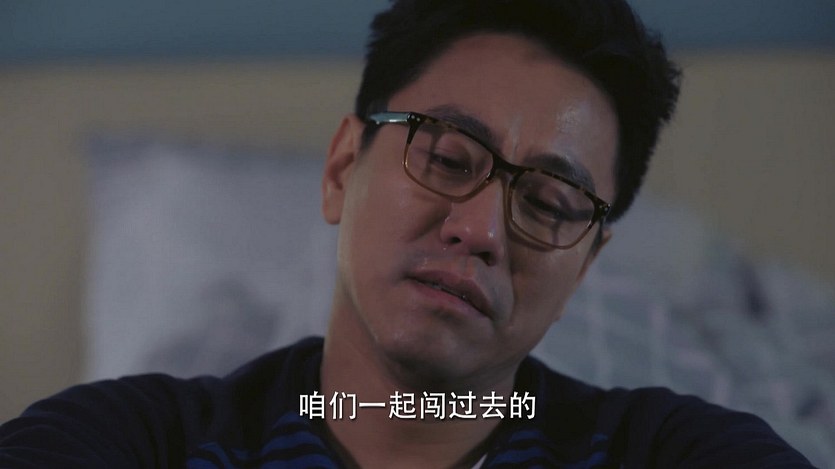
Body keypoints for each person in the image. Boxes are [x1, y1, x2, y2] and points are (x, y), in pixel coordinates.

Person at [0, 0, 813, 467]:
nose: (480, 229)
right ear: (341, 168)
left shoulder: (663, 451)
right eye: (448, 157)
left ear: (584, 268)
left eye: (548, 202)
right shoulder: (145, 442)